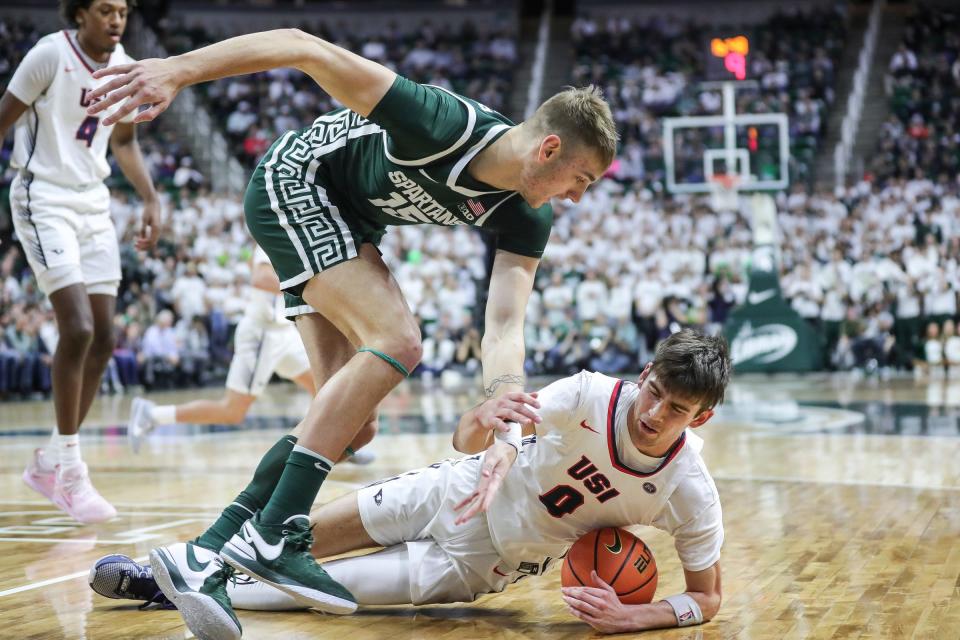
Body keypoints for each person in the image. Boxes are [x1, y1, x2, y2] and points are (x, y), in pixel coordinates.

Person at [85, 26, 616, 640]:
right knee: (399, 340)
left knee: (351, 422)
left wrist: (504, 400)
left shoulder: (527, 211)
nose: (577, 198)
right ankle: (274, 533)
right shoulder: (440, 122)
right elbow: (301, 45)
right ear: (549, 149)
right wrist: (176, 70)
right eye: (582, 179)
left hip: (350, 224)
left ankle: (204, 554)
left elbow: (504, 321)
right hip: (296, 182)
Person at [91, 330, 729, 634]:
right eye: (654, 392)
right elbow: (474, 436)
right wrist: (488, 429)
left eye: (675, 409)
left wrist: (635, 615)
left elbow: (708, 598)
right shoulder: (591, 393)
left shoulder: (689, 490)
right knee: (291, 541)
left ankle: (157, 583)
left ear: (701, 417)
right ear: (643, 374)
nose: (653, 414)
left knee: (312, 594)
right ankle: (190, 563)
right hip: (451, 489)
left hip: (483, 564)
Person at [1, 0, 160, 524]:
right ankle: (69, 469)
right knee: (77, 328)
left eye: (122, 11)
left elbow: (126, 142)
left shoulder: (128, 65)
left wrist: (151, 199)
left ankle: (49, 460)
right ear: (79, 14)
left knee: (106, 338)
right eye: (104, 10)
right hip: (41, 194)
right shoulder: (49, 55)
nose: (115, 20)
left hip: (93, 201)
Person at [127, 246, 376, 464]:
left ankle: (339, 446)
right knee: (232, 411)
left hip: (282, 333)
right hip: (261, 335)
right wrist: (310, 284)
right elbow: (260, 277)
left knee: (325, 389)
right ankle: (153, 415)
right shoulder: (272, 235)